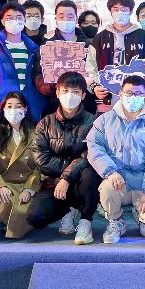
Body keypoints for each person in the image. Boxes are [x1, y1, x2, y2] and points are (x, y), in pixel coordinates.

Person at [87, 75, 145, 244]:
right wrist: (110, 172)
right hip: (119, 181)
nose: (133, 97)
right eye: (129, 93)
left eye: (138, 94)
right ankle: (115, 220)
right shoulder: (105, 120)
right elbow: (94, 146)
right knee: (107, 189)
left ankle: (141, 214)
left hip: (143, 182)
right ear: (120, 94)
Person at [28, 72, 100, 244]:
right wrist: (63, 178)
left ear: (83, 95)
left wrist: (67, 178)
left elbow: (89, 156)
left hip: (81, 183)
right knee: (34, 217)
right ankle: (68, 210)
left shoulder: (93, 122)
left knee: (90, 172)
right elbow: (41, 159)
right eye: (65, 91)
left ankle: (85, 221)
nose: (70, 96)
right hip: (53, 182)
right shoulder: (45, 123)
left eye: (75, 92)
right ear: (58, 92)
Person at [0, 92, 40, 239]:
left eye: (18, 106)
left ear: (25, 109)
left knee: (26, 209)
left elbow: (40, 166)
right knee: (5, 202)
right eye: (9, 106)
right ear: (3, 109)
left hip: (26, 185)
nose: (14, 110)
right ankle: (9, 224)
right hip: (4, 185)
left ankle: (13, 226)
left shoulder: (35, 133)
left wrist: (29, 189)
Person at [88, 0, 145, 113]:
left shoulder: (144, 37)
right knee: (108, 125)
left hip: (136, 100)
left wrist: (144, 87)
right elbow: (90, 68)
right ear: (110, 11)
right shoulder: (99, 39)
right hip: (107, 101)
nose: (119, 12)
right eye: (115, 9)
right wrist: (94, 87)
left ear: (131, 11)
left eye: (124, 9)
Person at [38, 0, 97, 115]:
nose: (66, 20)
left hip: (85, 105)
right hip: (55, 105)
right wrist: (52, 86)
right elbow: (38, 75)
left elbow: (95, 73)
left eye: (70, 16)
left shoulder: (89, 46)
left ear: (76, 19)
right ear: (56, 19)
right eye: (61, 16)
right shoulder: (47, 46)